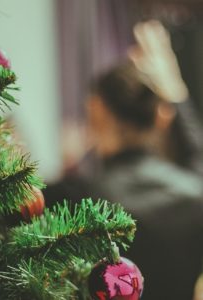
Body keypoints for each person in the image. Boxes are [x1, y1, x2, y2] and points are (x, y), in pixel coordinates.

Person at [44, 20, 203, 300]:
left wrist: (69, 165)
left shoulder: (77, 197)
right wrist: (177, 94)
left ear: (96, 112)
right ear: (161, 117)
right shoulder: (196, 191)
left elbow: (8, 206)